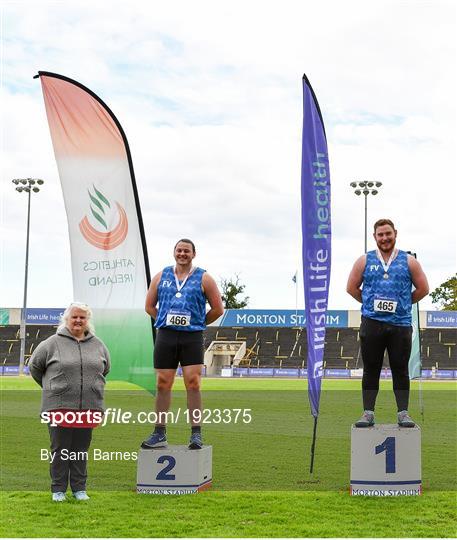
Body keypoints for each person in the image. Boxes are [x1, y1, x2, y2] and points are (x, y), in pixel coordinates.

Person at [141, 238, 224, 450]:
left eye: (186, 251)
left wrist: (198, 322)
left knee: (193, 383)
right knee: (162, 383)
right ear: (174, 252)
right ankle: (159, 432)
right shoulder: (161, 276)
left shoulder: (204, 278)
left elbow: (217, 309)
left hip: (192, 336)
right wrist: (163, 319)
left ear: (193, 254)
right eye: (179, 250)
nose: (182, 254)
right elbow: (149, 306)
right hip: (166, 335)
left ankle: (196, 433)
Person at [346, 219, 429, 428]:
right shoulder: (364, 260)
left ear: (395, 234)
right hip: (372, 323)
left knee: (400, 370)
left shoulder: (409, 261)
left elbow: (423, 288)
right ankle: (368, 413)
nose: (384, 238)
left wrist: (403, 303)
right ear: (374, 237)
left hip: (399, 325)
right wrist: (369, 304)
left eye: (388, 234)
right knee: (370, 369)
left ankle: (403, 413)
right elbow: (351, 287)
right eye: (380, 235)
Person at [29, 302, 110, 502]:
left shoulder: (98, 344)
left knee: (81, 450)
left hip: (88, 407)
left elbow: (105, 368)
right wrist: (53, 388)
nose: (78, 320)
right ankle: (58, 490)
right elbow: (35, 367)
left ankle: (79, 489)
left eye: (82, 317)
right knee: (60, 449)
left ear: (87, 320)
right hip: (59, 406)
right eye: (74, 317)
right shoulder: (51, 343)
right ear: (66, 319)